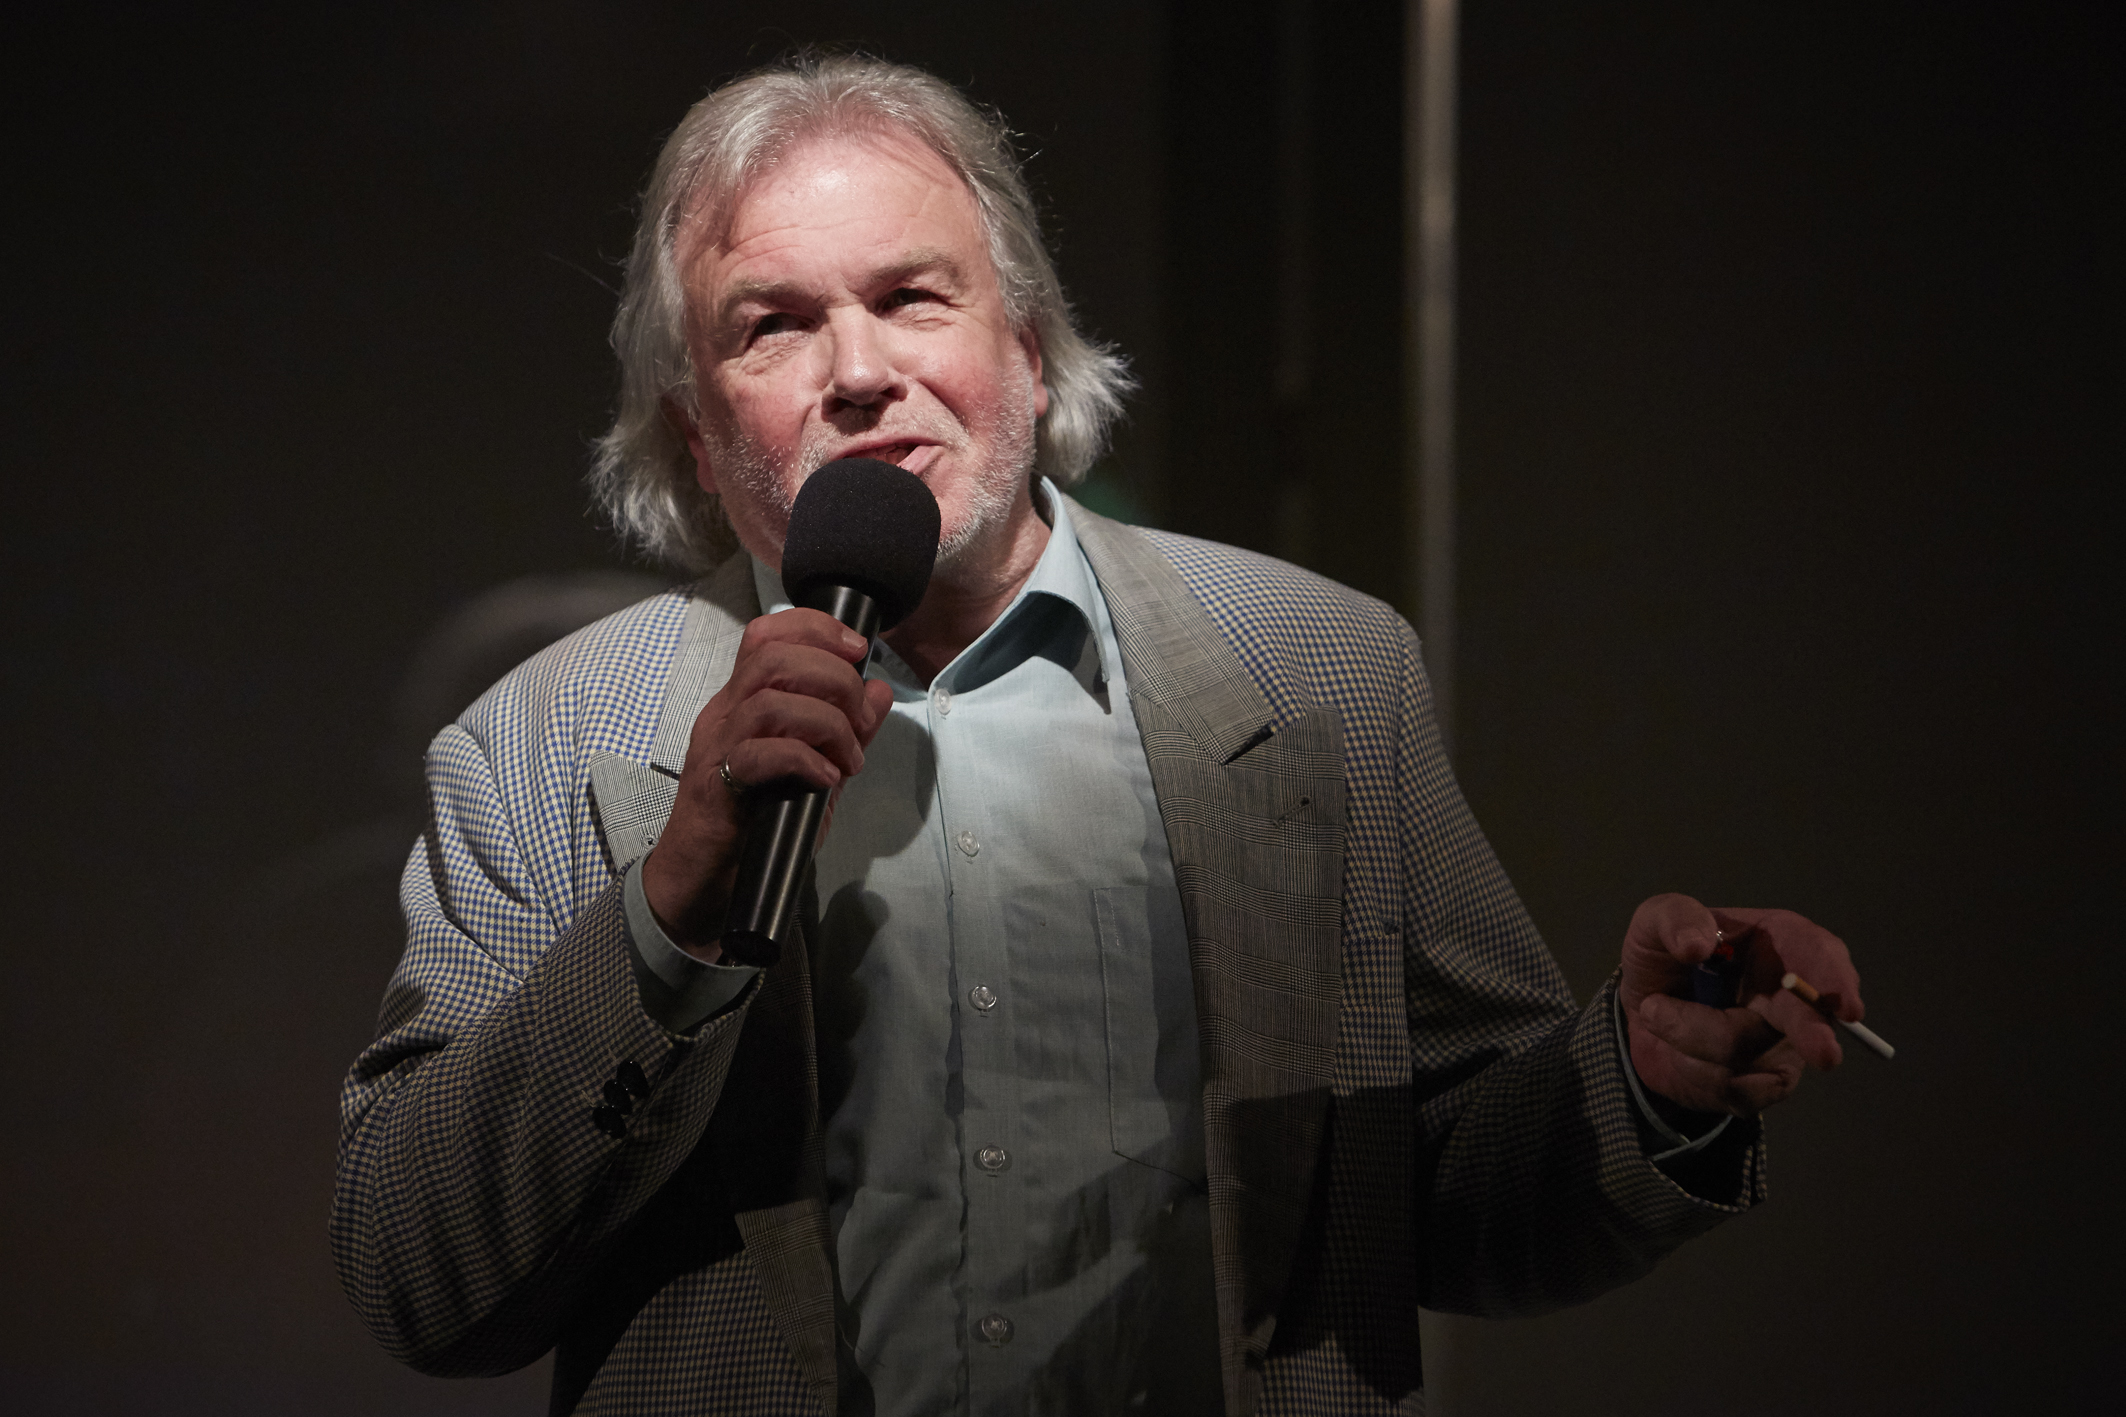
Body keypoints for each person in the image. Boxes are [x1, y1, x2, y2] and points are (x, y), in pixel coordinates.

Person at [333, 53, 1867, 1417]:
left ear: (1027, 344)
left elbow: (1453, 1191)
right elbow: (422, 1278)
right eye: (773, 325)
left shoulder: (1321, 668)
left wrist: (1644, 1078)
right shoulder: (541, 738)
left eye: (912, 296)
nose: (858, 371)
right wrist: (668, 916)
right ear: (695, 425)